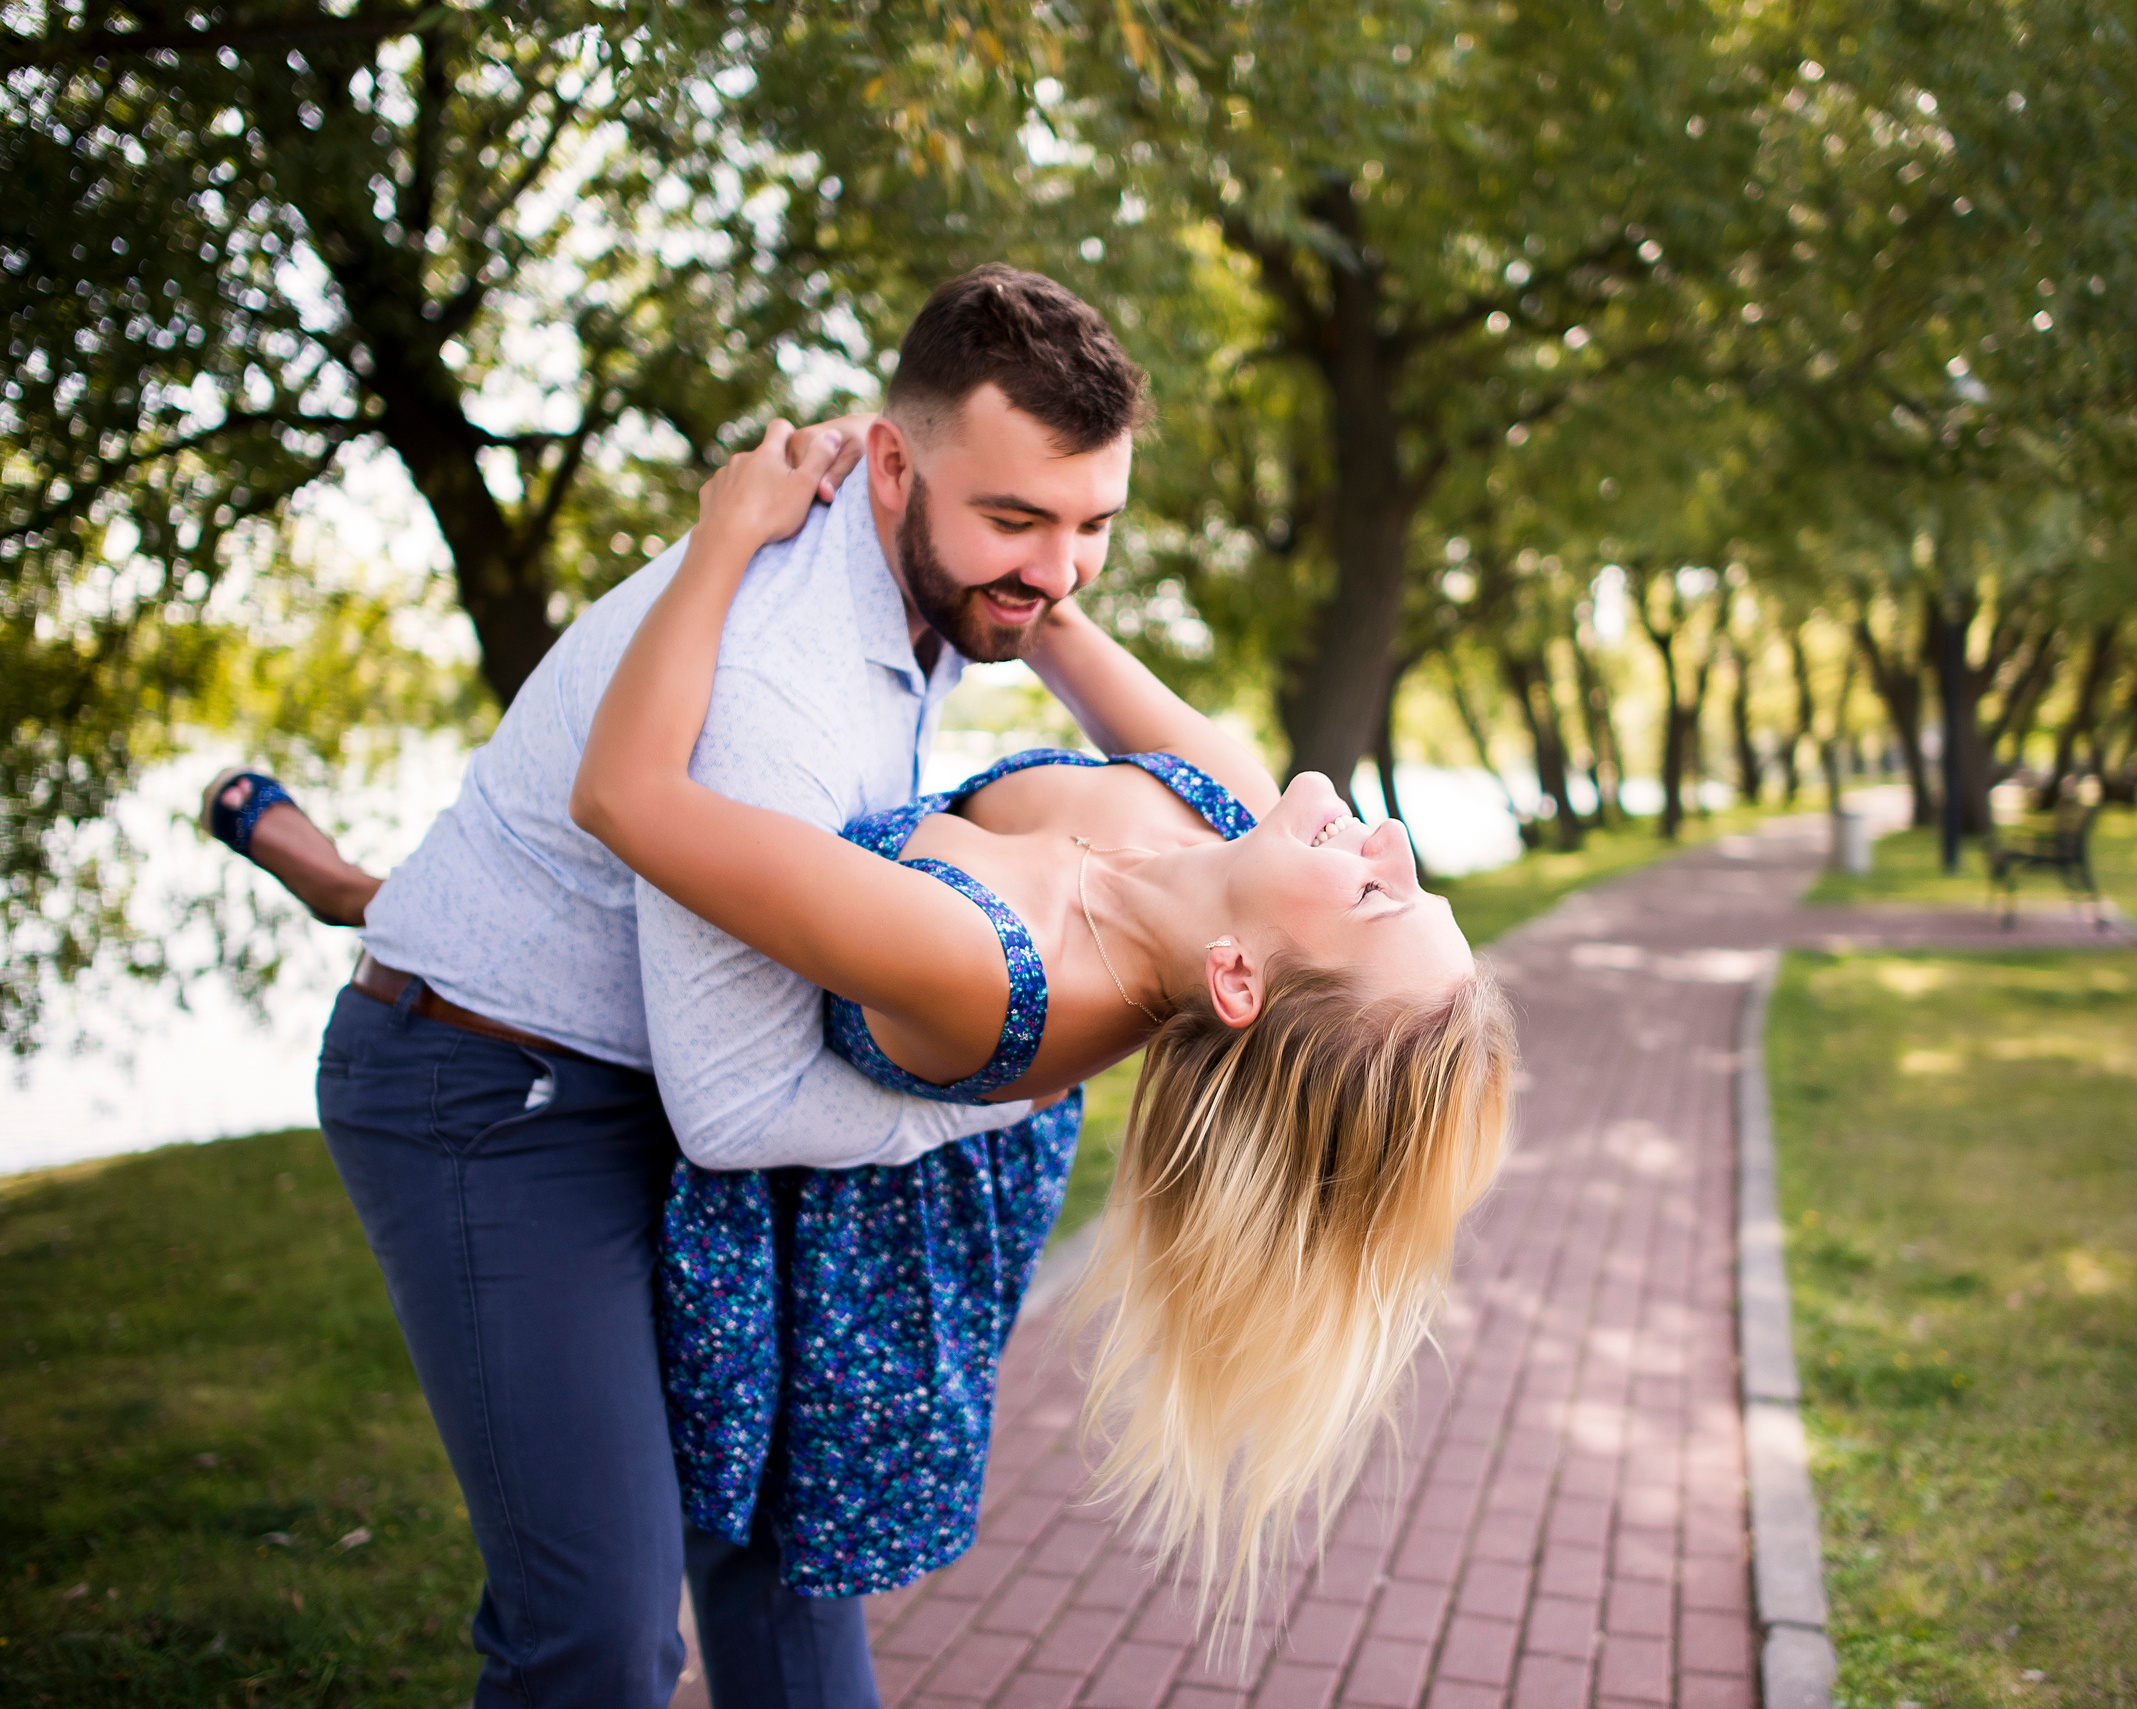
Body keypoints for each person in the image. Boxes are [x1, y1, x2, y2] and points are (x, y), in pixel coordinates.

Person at [203, 266, 1160, 1709]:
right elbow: (738, 1109)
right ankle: (348, 883)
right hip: (499, 1086)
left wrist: (1033, 574)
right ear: (892, 466)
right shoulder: (778, 684)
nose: (1061, 566)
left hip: (655, 1034)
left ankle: (336, 874)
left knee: (783, 1539)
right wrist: (1009, 1091)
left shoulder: (921, 554)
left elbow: (1207, 771)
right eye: (1018, 519)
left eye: (1095, 526)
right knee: (597, 1635)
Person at [569, 409, 1515, 1634]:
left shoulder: (978, 964)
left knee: (752, 1588)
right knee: (764, 1597)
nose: (1387, 840)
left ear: (1237, 979)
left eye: (1378, 896)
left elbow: (624, 795)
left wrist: (726, 533)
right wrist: (936, 462)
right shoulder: (1229, 816)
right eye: (1418, 879)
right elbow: (1038, 607)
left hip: (844, 1230)